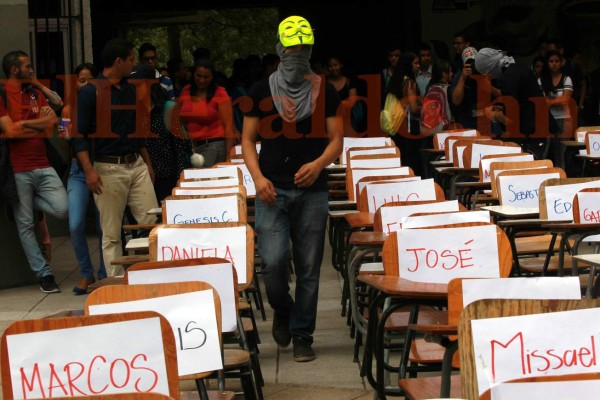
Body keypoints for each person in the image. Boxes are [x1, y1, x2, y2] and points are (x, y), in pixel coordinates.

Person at [242, 15, 342, 362]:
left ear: (310, 50)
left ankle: (303, 335)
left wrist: (318, 165)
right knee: (272, 264)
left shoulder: (324, 89)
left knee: (310, 268)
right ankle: (282, 309)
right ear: (280, 50)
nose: (296, 55)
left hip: (312, 191)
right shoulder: (260, 90)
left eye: (303, 49)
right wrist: (258, 179)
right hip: (272, 190)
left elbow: (336, 142)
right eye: (291, 49)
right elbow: (247, 141)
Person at [74, 38, 158, 277]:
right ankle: (117, 287)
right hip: (107, 167)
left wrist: (147, 164)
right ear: (119, 61)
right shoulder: (90, 92)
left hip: (137, 163)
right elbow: (78, 135)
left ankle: (154, 275)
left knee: (151, 224)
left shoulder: (130, 89)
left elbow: (138, 130)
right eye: (131, 59)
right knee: (111, 233)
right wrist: (89, 171)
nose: (134, 64)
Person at [0, 50, 67, 293]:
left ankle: (30, 203)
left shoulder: (34, 93)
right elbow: (11, 132)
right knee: (25, 225)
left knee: (62, 208)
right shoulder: (3, 95)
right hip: (17, 169)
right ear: (14, 70)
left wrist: (28, 123)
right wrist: (39, 123)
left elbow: (53, 122)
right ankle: (44, 274)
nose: (32, 68)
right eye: (27, 66)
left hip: (43, 163)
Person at [62, 63, 107, 294]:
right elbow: (67, 141)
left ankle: (103, 274)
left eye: (90, 80)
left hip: (101, 169)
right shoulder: (68, 110)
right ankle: (87, 274)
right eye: (81, 80)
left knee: (103, 226)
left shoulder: (104, 108)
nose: (86, 85)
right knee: (76, 223)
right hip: (78, 172)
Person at [131, 63, 192, 202]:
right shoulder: (133, 111)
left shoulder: (168, 109)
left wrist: (180, 178)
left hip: (167, 177)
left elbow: (181, 147)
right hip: (140, 177)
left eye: (138, 85)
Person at [177, 59, 234, 167]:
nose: (202, 80)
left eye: (206, 77)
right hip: (191, 147)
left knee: (204, 180)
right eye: (199, 76)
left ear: (212, 77)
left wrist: (228, 156)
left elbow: (228, 126)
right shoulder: (186, 90)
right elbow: (180, 118)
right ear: (193, 74)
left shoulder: (220, 93)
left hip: (212, 146)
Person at [420, 60, 454, 136]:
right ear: (444, 74)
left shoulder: (429, 88)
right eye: (450, 71)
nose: (452, 74)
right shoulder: (448, 89)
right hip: (442, 135)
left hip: (427, 133)